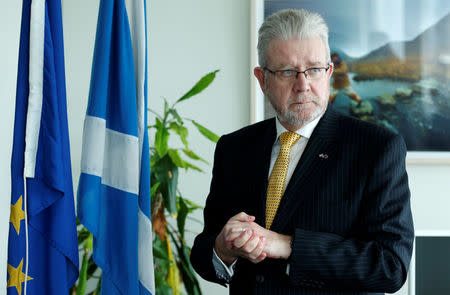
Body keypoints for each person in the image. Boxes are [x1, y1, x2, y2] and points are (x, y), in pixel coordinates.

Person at [190, 9, 414, 295]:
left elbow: (390, 266)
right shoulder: (234, 148)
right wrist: (223, 248)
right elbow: (205, 254)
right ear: (262, 79)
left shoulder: (376, 148)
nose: (303, 85)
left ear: (329, 73)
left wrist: (287, 245)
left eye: (314, 69)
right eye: (287, 71)